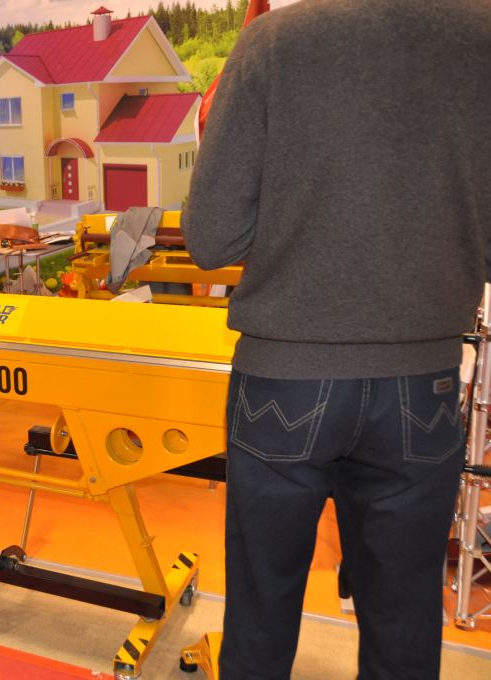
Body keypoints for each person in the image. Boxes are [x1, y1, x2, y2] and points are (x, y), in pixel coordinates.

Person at [181, 1, 491, 678]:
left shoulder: (274, 42)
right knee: (404, 626)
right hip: (423, 381)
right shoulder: (481, 39)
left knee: (260, 625)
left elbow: (210, 237)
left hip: (284, 379)